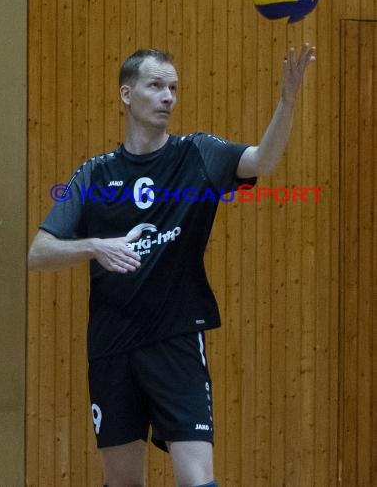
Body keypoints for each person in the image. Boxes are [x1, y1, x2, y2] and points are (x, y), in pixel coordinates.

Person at [28, 43, 315, 487]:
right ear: (127, 95)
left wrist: (287, 101)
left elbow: (262, 160)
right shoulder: (92, 174)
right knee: (122, 482)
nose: (168, 97)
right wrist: (94, 246)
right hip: (112, 344)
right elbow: (38, 253)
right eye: (156, 85)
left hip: (175, 338)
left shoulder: (196, 153)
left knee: (196, 478)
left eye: (174, 88)